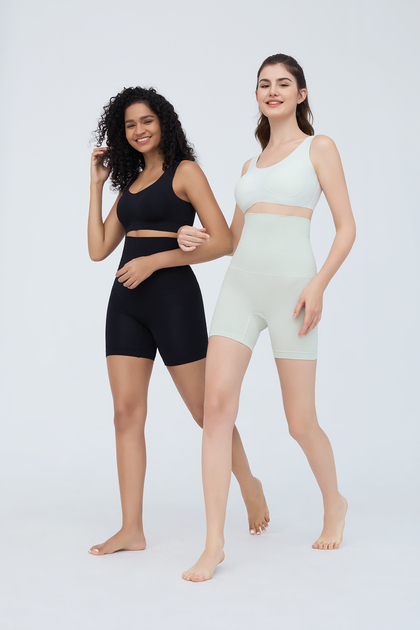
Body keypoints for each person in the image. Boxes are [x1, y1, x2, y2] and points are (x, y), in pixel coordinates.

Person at [179, 54, 356, 581]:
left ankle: (335, 502)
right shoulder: (248, 167)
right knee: (215, 409)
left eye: (283, 83)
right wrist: (191, 239)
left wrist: (318, 285)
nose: (272, 90)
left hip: (293, 295)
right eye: (264, 84)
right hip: (240, 290)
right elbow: (231, 242)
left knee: (300, 422)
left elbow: (346, 227)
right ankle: (214, 543)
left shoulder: (318, 148)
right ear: (256, 95)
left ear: (301, 94)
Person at [87, 87, 269, 555]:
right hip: (125, 303)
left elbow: (224, 241)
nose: (139, 130)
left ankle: (248, 483)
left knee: (206, 412)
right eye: (130, 125)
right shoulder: (129, 185)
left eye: (146, 120)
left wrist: (154, 261)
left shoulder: (184, 172)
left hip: (173, 300)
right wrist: (96, 185)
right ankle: (132, 528)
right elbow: (98, 248)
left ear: (163, 122)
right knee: (125, 414)